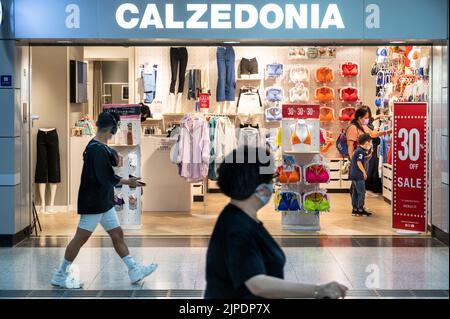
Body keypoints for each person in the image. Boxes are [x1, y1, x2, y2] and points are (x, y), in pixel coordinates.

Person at [205, 146, 348, 299]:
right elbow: (257, 284)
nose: (273, 185)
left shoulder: (242, 218)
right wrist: (319, 290)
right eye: (271, 179)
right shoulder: (237, 227)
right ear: (259, 188)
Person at [50, 111, 158, 289]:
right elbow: (106, 177)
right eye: (114, 131)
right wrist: (128, 181)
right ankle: (60, 274)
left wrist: (115, 159)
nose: (112, 135)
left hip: (102, 201)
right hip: (94, 203)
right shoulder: (96, 149)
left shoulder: (96, 146)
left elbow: (107, 162)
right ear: (111, 129)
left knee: (117, 234)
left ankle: (134, 269)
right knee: (80, 238)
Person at [349, 134, 373, 217]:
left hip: (354, 174)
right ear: (366, 142)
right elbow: (359, 162)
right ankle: (360, 209)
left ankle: (355, 209)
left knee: (355, 192)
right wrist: (364, 172)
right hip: (358, 175)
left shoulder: (358, 150)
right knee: (362, 192)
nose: (370, 144)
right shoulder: (360, 151)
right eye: (370, 142)